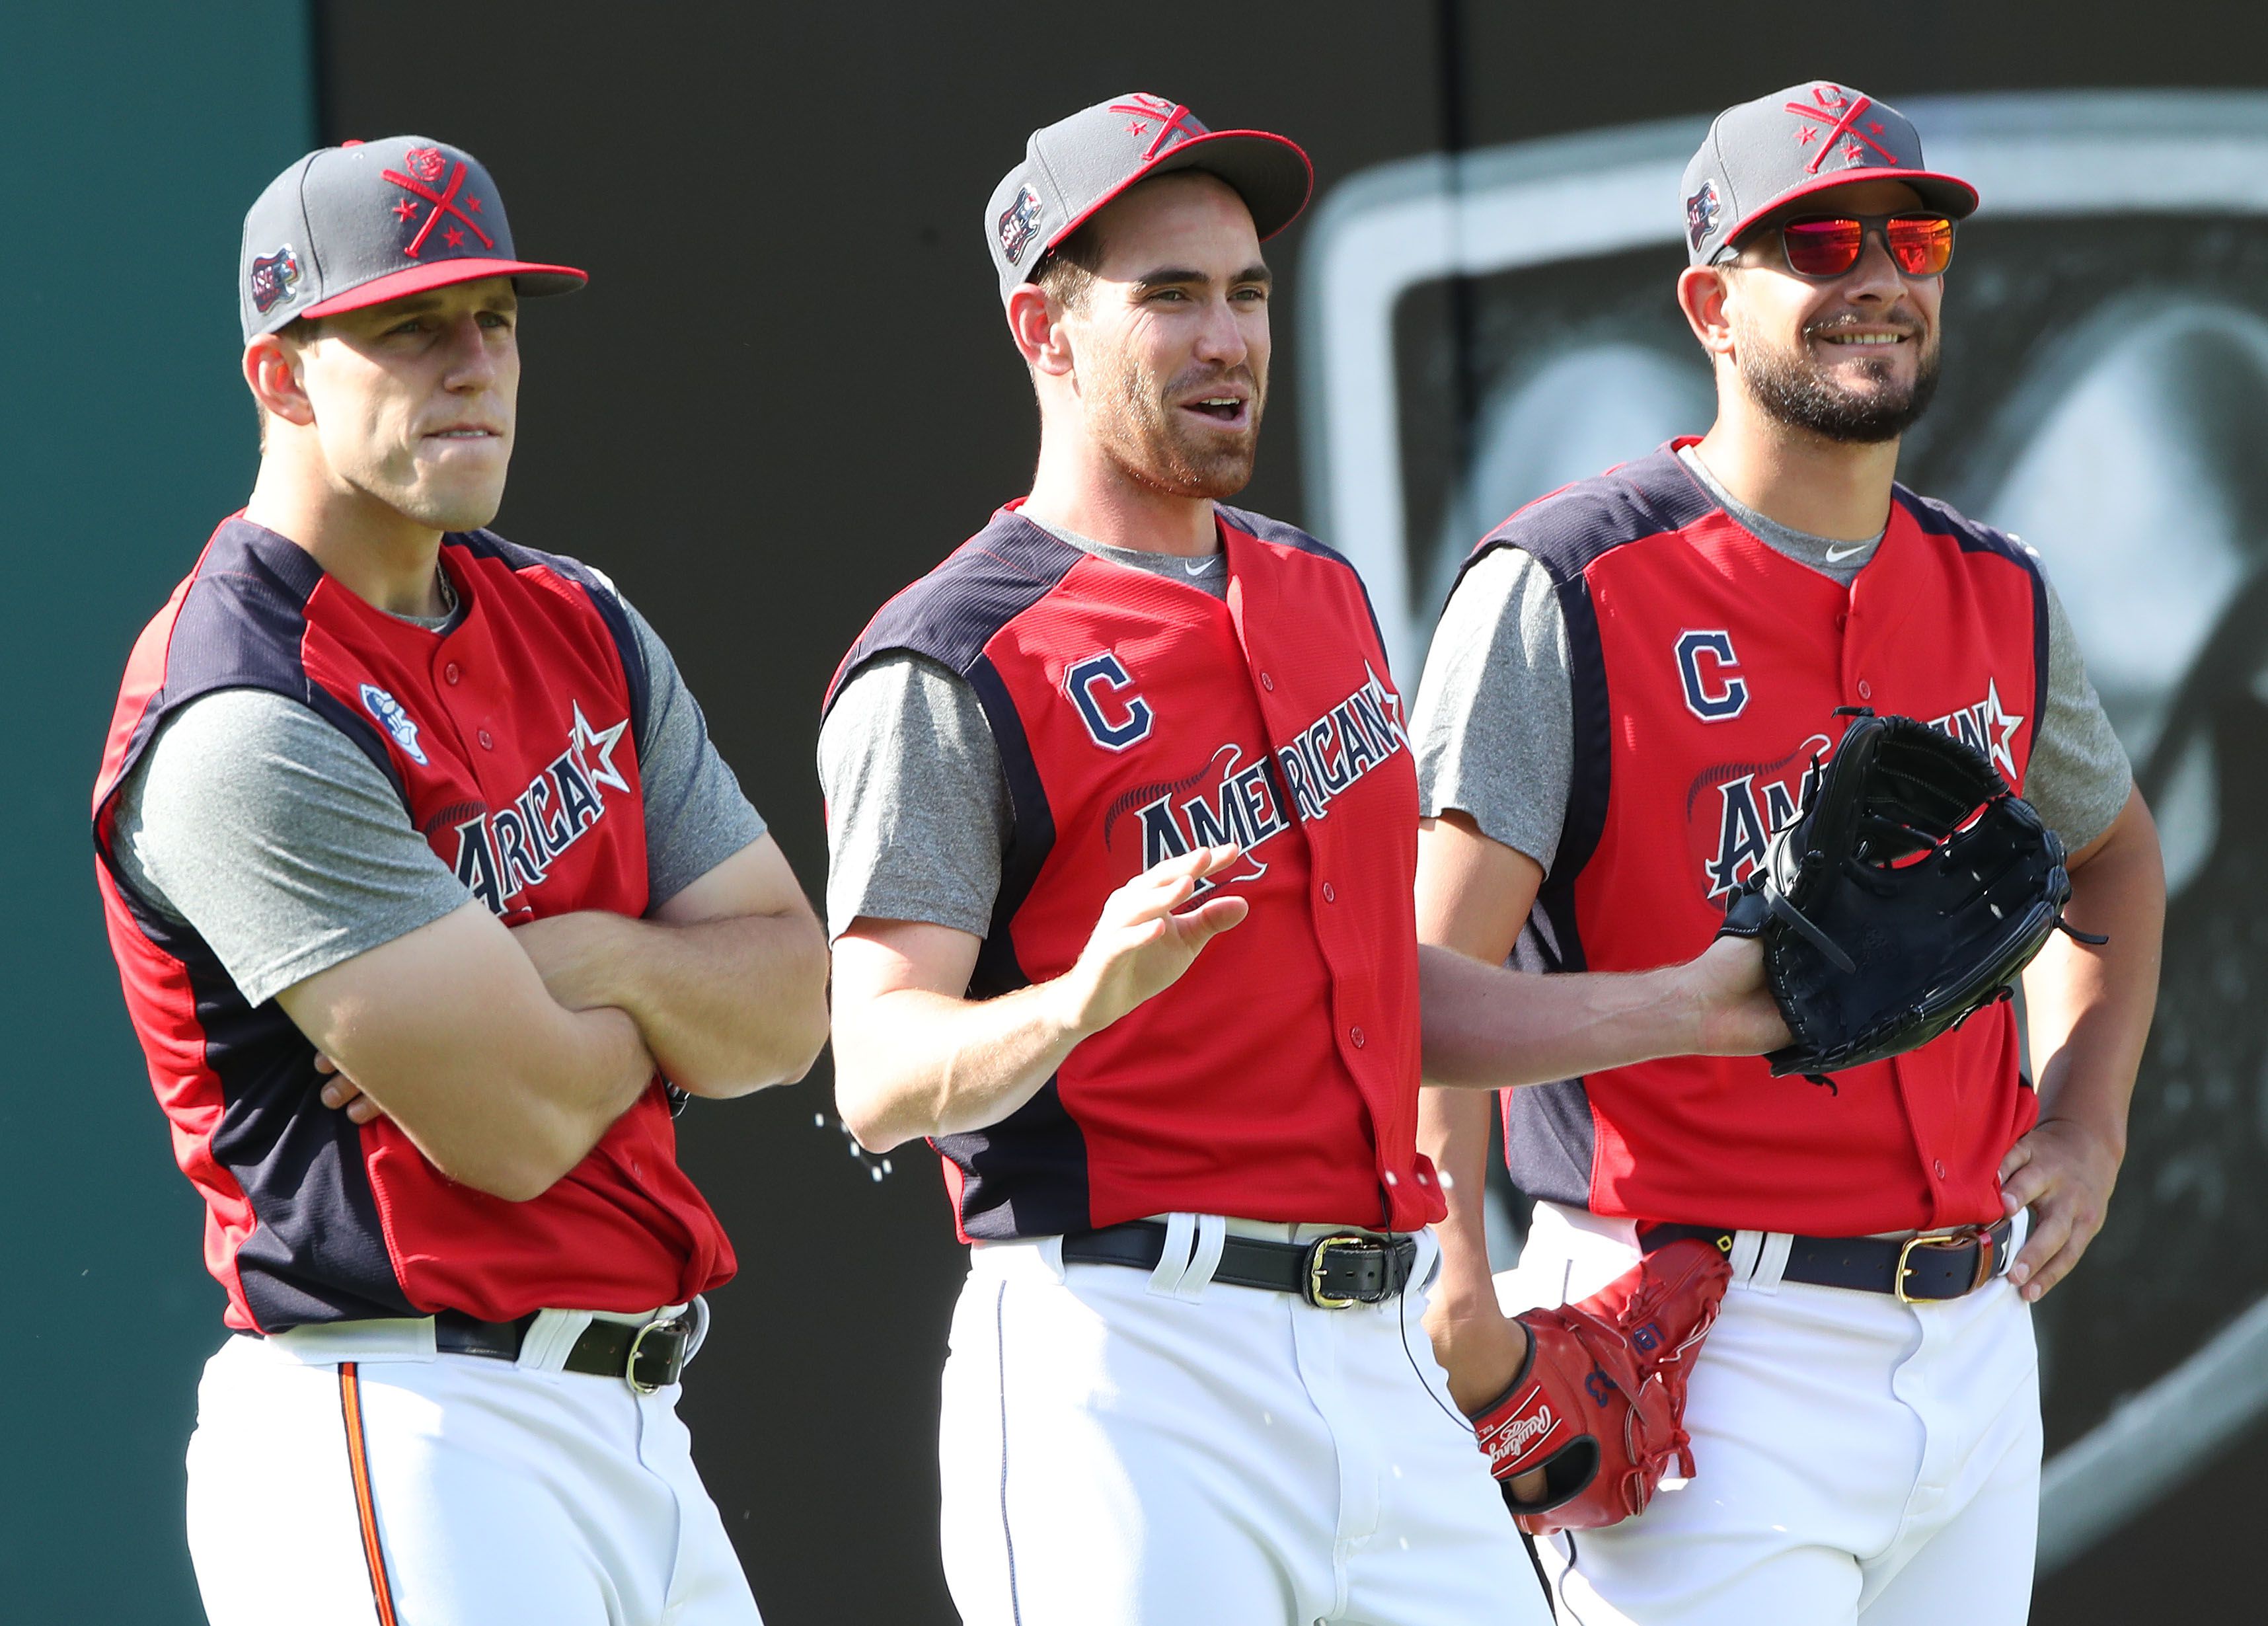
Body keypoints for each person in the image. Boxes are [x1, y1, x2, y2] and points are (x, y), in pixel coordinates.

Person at [818, 94, 1784, 1626]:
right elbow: (876, 1071)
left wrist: (1711, 1006)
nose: (1229, 337)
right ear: (1043, 331)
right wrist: (1081, 997)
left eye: (1250, 292)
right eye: (1171, 296)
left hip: (1379, 1347)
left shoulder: (1317, 590)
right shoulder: (950, 662)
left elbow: (1391, 999)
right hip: (1128, 1365)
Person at [1410, 81, 2166, 1625]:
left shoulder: (1994, 588)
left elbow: (2119, 868)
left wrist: (2088, 1113)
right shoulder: (1571, 583)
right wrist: (1467, 1307)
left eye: (1914, 237)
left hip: (1968, 1339)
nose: (1878, 271)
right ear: (1710, 301)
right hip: (1693, 1334)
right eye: (1818, 238)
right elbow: (1414, 990)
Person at [92, 136, 828, 1625]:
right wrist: (649, 993)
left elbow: (795, 1004)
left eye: (494, 319)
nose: (472, 363)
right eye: (409, 325)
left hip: (636, 1417)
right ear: (284, 376)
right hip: (400, 1420)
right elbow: (519, 1123)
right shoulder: (241, 712)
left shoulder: (575, 616)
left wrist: (594, 961)